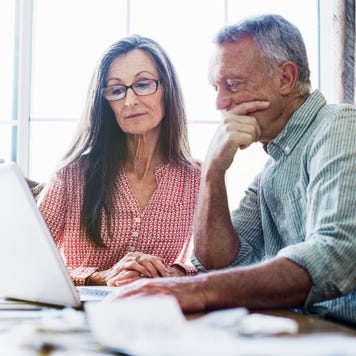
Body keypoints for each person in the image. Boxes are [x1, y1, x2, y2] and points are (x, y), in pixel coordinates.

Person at [107, 15, 356, 325]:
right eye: (216, 87)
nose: (220, 102)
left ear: (286, 79)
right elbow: (216, 261)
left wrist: (191, 290)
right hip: (306, 332)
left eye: (233, 84)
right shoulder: (271, 170)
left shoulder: (340, 126)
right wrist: (212, 171)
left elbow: (335, 254)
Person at [38, 35, 201, 287]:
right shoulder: (70, 176)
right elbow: (25, 263)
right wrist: (98, 277)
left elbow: (215, 264)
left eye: (143, 84)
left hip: (161, 315)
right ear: (105, 103)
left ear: (167, 89)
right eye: (116, 90)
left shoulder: (197, 178)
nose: (130, 101)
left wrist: (174, 274)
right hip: (83, 319)